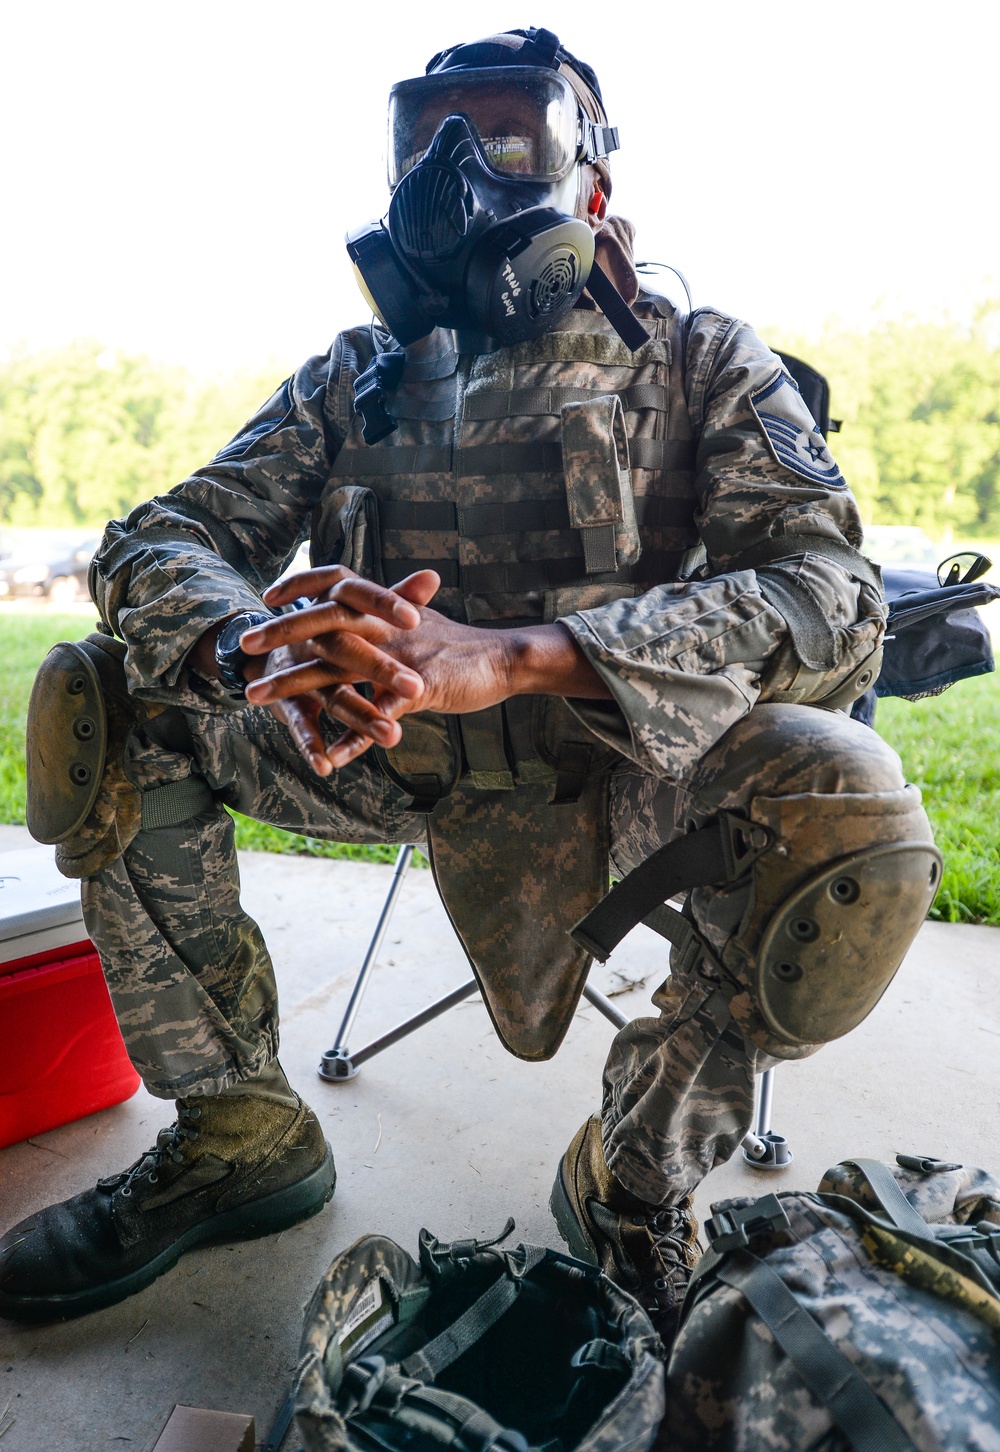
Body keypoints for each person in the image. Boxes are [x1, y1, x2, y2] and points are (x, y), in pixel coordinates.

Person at [1, 27, 938, 1336]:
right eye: (427, 138)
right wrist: (255, 647)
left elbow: (830, 591)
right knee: (105, 700)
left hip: (628, 775)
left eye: (507, 135)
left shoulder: (699, 361)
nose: (459, 176)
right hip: (374, 748)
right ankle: (239, 1137)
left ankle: (632, 1173)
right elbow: (162, 538)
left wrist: (518, 659)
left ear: (594, 186)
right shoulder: (356, 375)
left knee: (851, 809)